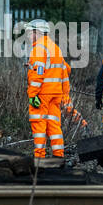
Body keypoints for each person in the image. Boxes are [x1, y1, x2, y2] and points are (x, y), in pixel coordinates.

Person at [26, 18, 70, 160]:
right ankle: (58, 156)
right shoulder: (55, 48)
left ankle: (39, 158)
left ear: (36, 32)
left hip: (42, 94)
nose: (28, 36)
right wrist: (65, 94)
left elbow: (38, 74)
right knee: (54, 126)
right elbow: (65, 70)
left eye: (29, 32)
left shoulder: (38, 48)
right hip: (55, 93)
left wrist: (32, 95)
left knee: (39, 125)